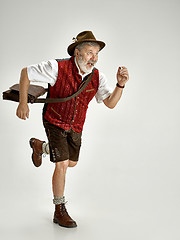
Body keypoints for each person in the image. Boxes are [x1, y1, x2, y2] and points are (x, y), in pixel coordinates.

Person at [16, 31, 129, 228]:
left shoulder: (97, 77)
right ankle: (59, 209)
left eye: (96, 54)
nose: (93, 58)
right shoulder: (56, 67)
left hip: (76, 125)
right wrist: (23, 103)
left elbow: (110, 103)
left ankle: (40, 147)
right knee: (61, 164)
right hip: (54, 120)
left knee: (72, 163)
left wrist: (120, 84)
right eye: (89, 52)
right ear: (77, 52)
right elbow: (26, 72)